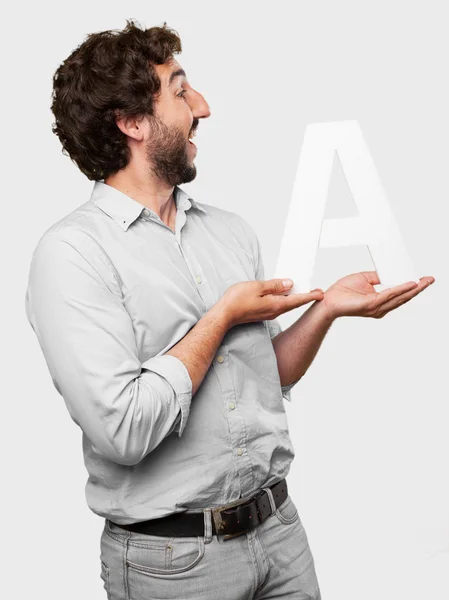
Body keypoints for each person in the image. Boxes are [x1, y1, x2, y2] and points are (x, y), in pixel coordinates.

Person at [24, 19, 435, 600]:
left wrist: (326, 312)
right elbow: (123, 430)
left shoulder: (230, 232)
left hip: (280, 534)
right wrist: (220, 316)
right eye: (180, 90)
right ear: (132, 122)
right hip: (172, 564)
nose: (204, 107)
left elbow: (264, 375)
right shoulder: (71, 256)